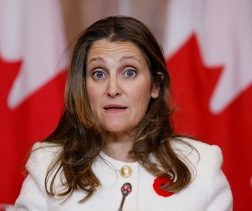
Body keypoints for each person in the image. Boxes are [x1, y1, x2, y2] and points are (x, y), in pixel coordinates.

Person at [15, 16, 233, 211]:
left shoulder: (201, 166)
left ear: (155, 86)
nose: (112, 89)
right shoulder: (48, 167)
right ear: (83, 87)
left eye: (129, 72)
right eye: (98, 74)